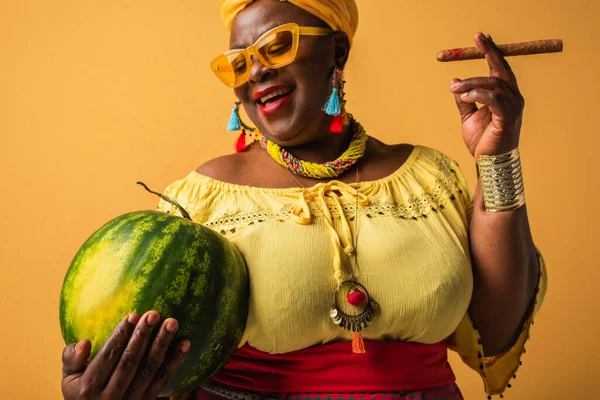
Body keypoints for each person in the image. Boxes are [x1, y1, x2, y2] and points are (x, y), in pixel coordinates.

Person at [60, 0, 548, 399]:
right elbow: (165, 367)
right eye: (239, 62)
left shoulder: (428, 179)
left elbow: (498, 326)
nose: (256, 72)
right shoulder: (200, 202)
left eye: (276, 46)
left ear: (336, 50)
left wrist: (497, 156)